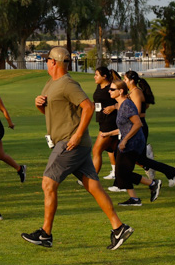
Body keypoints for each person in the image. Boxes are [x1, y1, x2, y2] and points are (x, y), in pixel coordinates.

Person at [22, 47, 133, 250]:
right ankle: (119, 228)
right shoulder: (51, 83)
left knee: (48, 184)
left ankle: (45, 234)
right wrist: (39, 104)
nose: (46, 63)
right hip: (70, 143)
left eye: (47, 60)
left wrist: (77, 135)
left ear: (54, 62)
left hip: (70, 142)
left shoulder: (68, 83)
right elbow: (50, 112)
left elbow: (88, 107)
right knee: (93, 187)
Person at [103, 81, 163, 207]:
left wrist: (124, 140)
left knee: (122, 172)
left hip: (132, 143)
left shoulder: (127, 105)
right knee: (121, 172)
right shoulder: (121, 105)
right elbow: (126, 127)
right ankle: (135, 199)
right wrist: (110, 133)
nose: (109, 91)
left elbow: (137, 124)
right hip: (126, 142)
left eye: (112, 89)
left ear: (121, 91)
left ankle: (152, 184)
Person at [122, 71, 175, 186]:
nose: (124, 82)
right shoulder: (133, 92)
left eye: (125, 79)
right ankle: (171, 171)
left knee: (133, 157)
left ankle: (122, 182)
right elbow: (144, 106)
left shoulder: (136, 93)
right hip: (137, 125)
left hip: (139, 126)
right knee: (140, 159)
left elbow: (136, 112)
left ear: (131, 81)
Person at [91, 67, 118, 183]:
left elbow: (126, 99)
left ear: (104, 76)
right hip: (102, 120)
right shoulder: (99, 86)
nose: (94, 77)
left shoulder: (112, 86)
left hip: (110, 122)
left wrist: (113, 107)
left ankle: (91, 178)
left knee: (96, 150)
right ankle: (147, 163)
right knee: (112, 149)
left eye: (97, 75)